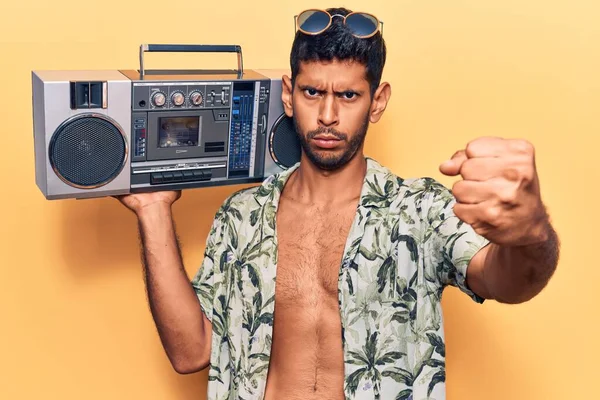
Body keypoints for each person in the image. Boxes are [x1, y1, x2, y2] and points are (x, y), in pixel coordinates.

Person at [116, 7, 560, 400]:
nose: (328, 115)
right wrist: (152, 209)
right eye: (313, 93)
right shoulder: (242, 215)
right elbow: (190, 350)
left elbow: (504, 281)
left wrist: (531, 235)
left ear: (377, 101)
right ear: (289, 94)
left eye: (348, 96)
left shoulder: (419, 209)